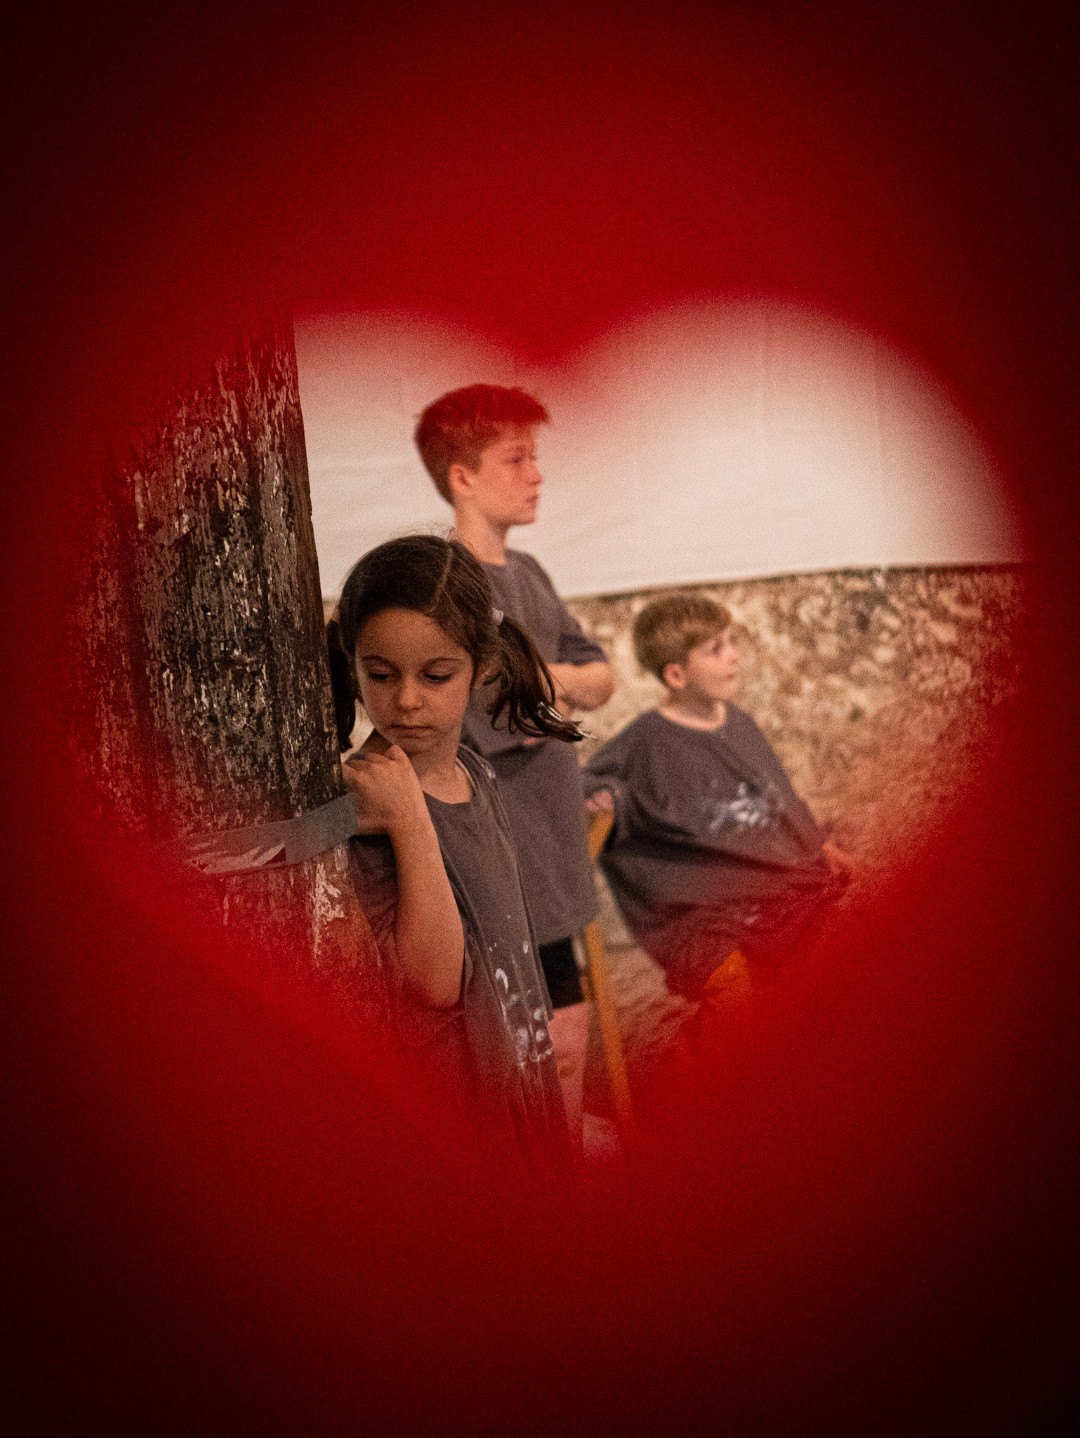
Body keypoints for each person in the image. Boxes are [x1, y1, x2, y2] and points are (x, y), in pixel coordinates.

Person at [326, 534, 580, 1170]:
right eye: (380, 674)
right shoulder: (371, 803)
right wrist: (410, 820)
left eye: (436, 676)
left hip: (521, 1091)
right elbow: (433, 985)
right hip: (459, 1119)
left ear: (482, 666)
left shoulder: (475, 771)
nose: (407, 700)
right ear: (353, 666)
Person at [413, 385, 614, 1146]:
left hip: (551, 841)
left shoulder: (528, 571)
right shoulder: (444, 583)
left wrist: (548, 678)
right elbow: (493, 710)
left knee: (568, 1038)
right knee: (519, 1048)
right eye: (517, 459)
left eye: (535, 458)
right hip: (497, 847)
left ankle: (562, 1170)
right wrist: (561, 686)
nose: (537, 475)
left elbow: (601, 675)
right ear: (462, 476)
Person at [584, 593, 852, 1019]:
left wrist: (817, 846)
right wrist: (607, 796)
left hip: (772, 890)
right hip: (700, 913)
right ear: (676, 674)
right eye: (715, 649)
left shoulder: (740, 723)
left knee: (846, 946)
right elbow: (588, 785)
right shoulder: (645, 742)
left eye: (731, 643)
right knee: (733, 989)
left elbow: (781, 799)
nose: (734, 657)